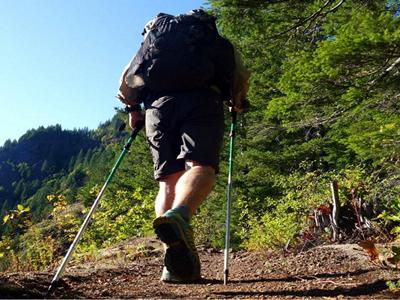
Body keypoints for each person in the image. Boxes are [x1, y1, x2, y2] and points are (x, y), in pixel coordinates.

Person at [117, 9, 250, 283]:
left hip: (158, 108)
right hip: (202, 101)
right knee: (200, 165)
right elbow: (240, 73)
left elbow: (126, 81)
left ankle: (174, 264)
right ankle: (180, 215)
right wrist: (237, 101)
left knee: (167, 182)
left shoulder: (152, 44)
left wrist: (133, 110)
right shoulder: (212, 42)